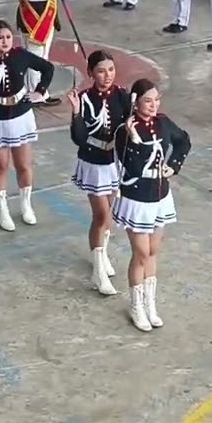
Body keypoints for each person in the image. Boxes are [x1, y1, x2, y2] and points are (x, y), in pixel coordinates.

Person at [113, 78, 192, 332]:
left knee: (154, 251)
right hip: (137, 197)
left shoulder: (163, 122)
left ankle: (151, 303)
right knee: (142, 253)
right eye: (148, 100)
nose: (154, 105)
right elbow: (131, 166)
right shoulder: (124, 130)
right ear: (136, 102)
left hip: (160, 193)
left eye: (157, 100)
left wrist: (174, 166)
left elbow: (183, 140)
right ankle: (136, 305)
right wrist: (133, 139)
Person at [0, 20, 55, 231]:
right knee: (1, 166)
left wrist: (40, 91)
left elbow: (47, 68)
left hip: (20, 115)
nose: (4, 41)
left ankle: (25, 204)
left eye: (7, 37)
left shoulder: (20, 55)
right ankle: (1, 208)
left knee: (24, 165)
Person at [68, 51, 133, 295]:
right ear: (91, 73)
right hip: (93, 162)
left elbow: (129, 128)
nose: (107, 76)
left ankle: (102, 253)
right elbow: (79, 139)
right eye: (101, 71)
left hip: (114, 161)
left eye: (111, 70)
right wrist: (75, 113)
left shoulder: (123, 96)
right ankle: (97, 271)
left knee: (110, 214)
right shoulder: (83, 99)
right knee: (101, 215)